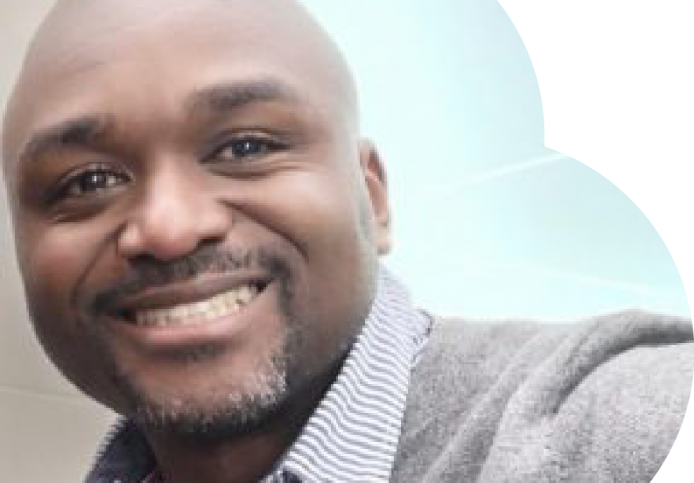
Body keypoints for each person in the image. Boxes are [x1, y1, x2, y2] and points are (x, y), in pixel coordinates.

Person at [1, 0, 692, 482]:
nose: (169, 227)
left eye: (245, 146)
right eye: (89, 181)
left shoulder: (603, 423)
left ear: (374, 199)